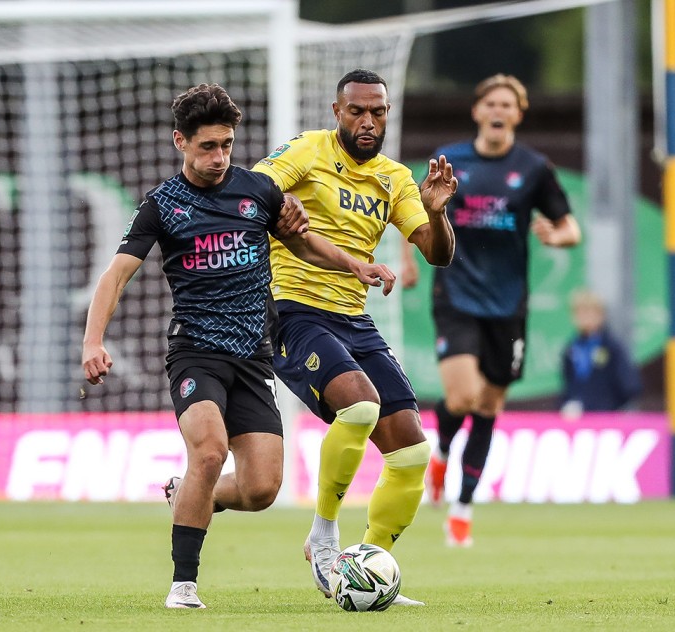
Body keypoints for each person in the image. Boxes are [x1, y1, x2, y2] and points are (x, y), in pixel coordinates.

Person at [81, 83, 396, 610]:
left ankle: (185, 491)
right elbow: (115, 277)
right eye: (207, 146)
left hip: (253, 357)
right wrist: (94, 340)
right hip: (196, 353)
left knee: (260, 490)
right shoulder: (162, 206)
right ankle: (184, 585)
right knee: (210, 450)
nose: (219, 156)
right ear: (180, 141)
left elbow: (300, 241)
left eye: (226, 144)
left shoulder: (257, 191)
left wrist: (354, 264)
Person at [252, 68, 456, 606]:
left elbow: (438, 253)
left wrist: (437, 217)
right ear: (337, 112)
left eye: (378, 112)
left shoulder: (395, 177)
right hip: (292, 311)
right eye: (358, 111)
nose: (369, 122)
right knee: (360, 408)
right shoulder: (306, 151)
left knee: (412, 451)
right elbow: (253, 189)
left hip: (353, 319)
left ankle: (364, 569)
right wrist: (279, 205)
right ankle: (322, 536)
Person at [401, 74, 582, 547]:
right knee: (460, 398)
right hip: (457, 295)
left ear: (518, 115)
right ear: (478, 111)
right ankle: (441, 450)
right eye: (491, 103)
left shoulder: (533, 168)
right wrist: (410, 261)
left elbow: (570, 228)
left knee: (488, 405)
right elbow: (413, 212)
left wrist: (555, 235)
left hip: (508, 305)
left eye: (508, 104)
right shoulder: (450, 159)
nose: (499, 111)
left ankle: (462, 507)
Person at [559, 289, 642, 418]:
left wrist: (611, 407)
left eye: (589, 312)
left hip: (608, 418)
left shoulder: (611, 347)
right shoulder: (571, 349)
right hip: (578, 419)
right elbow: (568, 386)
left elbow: (629, 385)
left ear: (600, 314)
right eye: (580, 312)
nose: (584, 317)